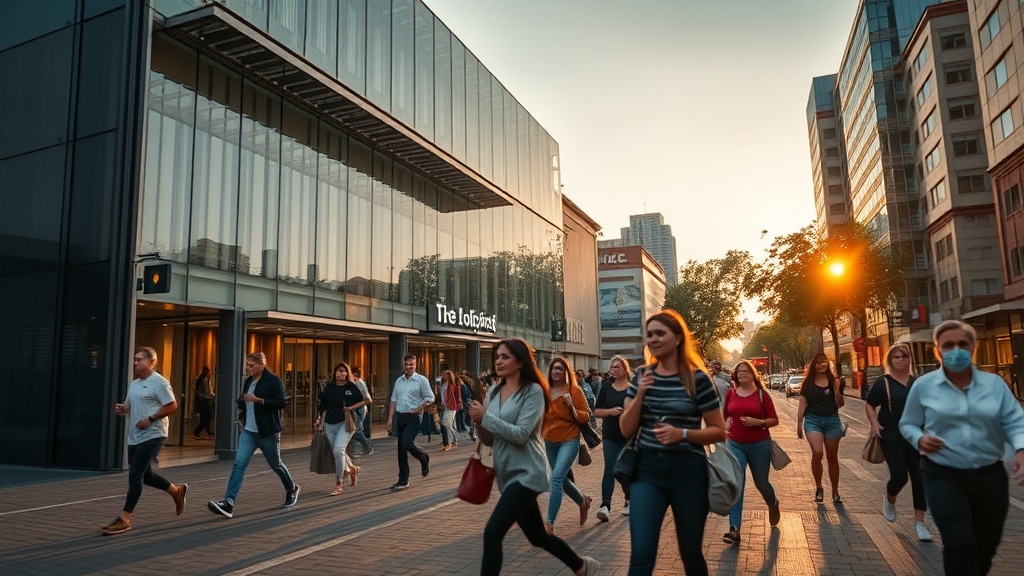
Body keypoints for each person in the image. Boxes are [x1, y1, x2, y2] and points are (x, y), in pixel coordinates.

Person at [900, 320, 1024, 575]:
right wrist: (920, 439)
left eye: (962, 344)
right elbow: (908, 423)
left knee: (986, 545)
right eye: (948, 345)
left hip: (989, 476)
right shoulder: (924, 386)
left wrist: (1021, 449)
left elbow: (1014, 421)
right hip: (942, 474)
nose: (956, 350)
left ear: (973, 347)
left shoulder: (994, 385)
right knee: (959, 542)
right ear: (938, 350)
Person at [468, 338, 601, 576]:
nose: (498, 361)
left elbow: (520, 435)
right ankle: (582, 566)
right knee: (538, 536)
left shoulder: (533, 392)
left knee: (492, 533)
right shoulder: (495, 392)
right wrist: (479, 424)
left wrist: (486, 417)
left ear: (520, 361)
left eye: (505, 356)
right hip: (507, 473)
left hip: (529, 472)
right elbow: (491, 439)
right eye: (496, 356)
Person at [619, 309, 727, 576]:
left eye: (660, 333)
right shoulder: (641, 376)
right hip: (646, 472)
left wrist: (683, 434)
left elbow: (719, 431)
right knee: (641, 557)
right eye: (649, 334)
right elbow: (625, 429)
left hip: (689, 473)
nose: (652, 339)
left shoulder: (698, 379)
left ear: (678, 338)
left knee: (690, 554)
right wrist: (642, 391)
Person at [101, 347, 189, 535]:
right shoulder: (134, 383)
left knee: (135, 475)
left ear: (151, 362)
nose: (135, 363)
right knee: (146, 476)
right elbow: (128, 406)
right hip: (135, 436)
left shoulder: (159, 382)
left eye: (139, 360)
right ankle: (177, 491)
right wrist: (121, 409)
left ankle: (125, 518)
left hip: (154, 434)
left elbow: (172, 405)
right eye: (134, 359)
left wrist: (151, 418)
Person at [208, 352, 300, 519]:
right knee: (239, 464)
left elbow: (281, 402)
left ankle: (291, 488)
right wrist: (240, 412)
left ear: (262, 364)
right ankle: (228, 503)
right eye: (247, 366)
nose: (249, 369)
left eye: (252, 365)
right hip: (248, 431)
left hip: (267, 432)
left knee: (276, 464)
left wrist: (259, 400)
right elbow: (245, 401)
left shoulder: (273, 381)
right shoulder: (248, 381)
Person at [864, 344, 932, 541]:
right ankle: (889, 497)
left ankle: (920, 524)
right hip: (891, 435)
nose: (901, 359)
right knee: (900, 476)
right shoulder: (883, 382)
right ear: (890, 360)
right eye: (896, 357)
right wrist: (874, 423)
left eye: (904, 356)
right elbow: (870, 404)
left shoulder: (917, 383)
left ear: (910, 359)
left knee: (920, 479)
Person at [721, 359, 780, 546]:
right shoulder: (730, 394)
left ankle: (773, 503)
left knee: (762, 483)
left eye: (746, 370)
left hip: (759, 445)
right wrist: (726, 423)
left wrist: (759, 422)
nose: (742, 373)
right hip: (735, 444)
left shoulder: (762, 395)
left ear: (753, 374)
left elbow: (774, 419)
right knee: (737, 484)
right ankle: (734, 529)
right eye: (739, 371)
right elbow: (724, 416)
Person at [542, 356, 594, 534]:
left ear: (566, 371)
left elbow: (586, 416)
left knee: (556, 478)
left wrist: (571, 405)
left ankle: (549, 522)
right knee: (562, 480)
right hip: (549, 441)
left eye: (560, 369)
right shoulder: (546, 390)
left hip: (569, 440)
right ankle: (582, 500)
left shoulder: (574, 390)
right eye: (554, 368)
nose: (556, 371)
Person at [796, 352, 845, 504]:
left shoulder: (833, 380)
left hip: (832, 420)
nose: (821, 364)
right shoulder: (808, 383)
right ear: (813, 364)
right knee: (817, 453)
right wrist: (799, 424)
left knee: (832, 458)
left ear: (828, 363)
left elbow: (840, 404)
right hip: (813, 420)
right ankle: (819, 487)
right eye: (818, 362)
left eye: (824, 361)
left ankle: (835, 491)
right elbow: (802, 404)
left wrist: (837, 390)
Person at [314, 361, 365, 496]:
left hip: (346, 423)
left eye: (343, 371)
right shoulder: (329, 387)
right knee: (338, 452)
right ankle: (352, 469)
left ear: (347, 373)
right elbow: (323, 406)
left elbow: (364, 400)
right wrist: (320, 420)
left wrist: (351, 408)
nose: (340, 373)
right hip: (330, 424)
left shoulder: (350, 386)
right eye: (338, 371)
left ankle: (339, 482)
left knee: (338, 450)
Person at [386, 354, 434, 490]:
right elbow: (394, 400)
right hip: (400, 417)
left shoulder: (421, 380)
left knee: (406, 443)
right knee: (401, 449)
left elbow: (430, 397)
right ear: (403, 365)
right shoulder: (398, 381)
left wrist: (422, 406)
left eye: (411, 364)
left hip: (414, 417)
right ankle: (403, 480)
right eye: (407, 364)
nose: (409, 367)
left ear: (415, 365)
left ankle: (423, 457)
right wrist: (390, 418)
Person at [593, 355, 632, 521]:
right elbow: (596, 411)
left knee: (625, 469)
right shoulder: (606, 387)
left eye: (618, 367)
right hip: (609, 435)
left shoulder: (633, 388)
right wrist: (610, 412)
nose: (614, 370)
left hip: (628, 435)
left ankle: (629, 499)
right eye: (612, 367)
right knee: (610, 468)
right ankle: (605, 505)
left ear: (625, 369)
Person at [347, 366, 374, 456]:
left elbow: (368, 400)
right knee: (351, 429)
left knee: (356, 429)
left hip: (359, 408)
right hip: (348, 409)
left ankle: (368, 446)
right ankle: (349, 450)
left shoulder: (359, 382)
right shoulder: (345, 384)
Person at [438, 370, 463, 451]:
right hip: (443, 406)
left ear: (448, 375)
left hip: (451, 406)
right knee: (446, 424)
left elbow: (457, 396)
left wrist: (458, 405)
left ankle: (450, 442)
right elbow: (441, 395)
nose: (442, 375)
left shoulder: (453, 384)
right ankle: (454, 439)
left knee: (446, 424)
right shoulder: (442, 384)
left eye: (444, 374)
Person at [193, 366, 215, 440]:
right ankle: (197, 431)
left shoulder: (202, 379)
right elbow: (207, 391)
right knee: (208, 416)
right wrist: (212, 396)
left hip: (203, 400)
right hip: (205, 400)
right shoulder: (204, 379)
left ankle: (207, 431)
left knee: (204, 417)